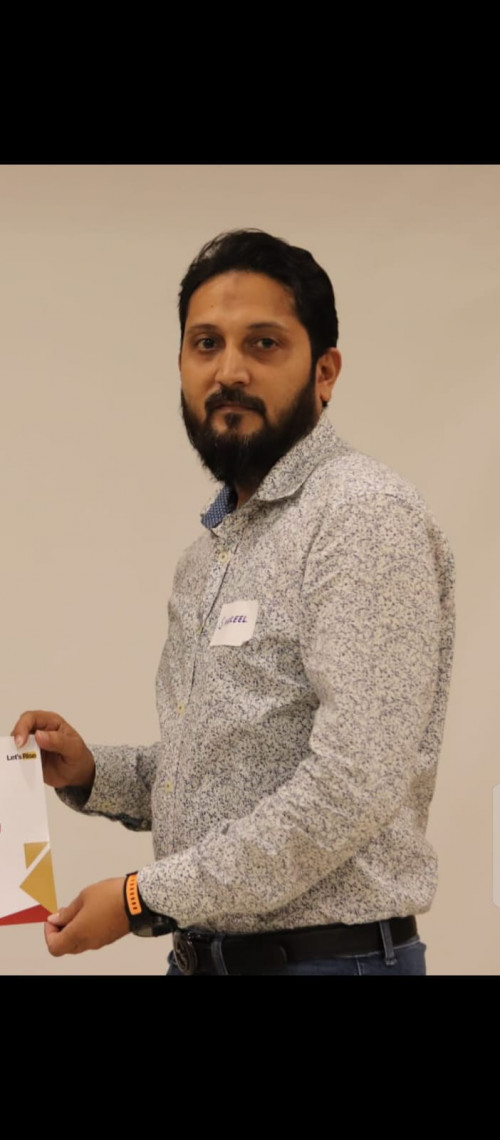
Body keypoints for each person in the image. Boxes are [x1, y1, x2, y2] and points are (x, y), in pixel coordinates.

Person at [12, 229, 456, 975]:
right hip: (205, 958)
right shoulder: (210, 555)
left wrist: (139, 898)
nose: (230, 371)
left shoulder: (361, 516)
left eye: (264, 344)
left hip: (329, 963)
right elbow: (226, 776)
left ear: (324, 371)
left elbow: (350, 786)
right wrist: (90, 773)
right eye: (207, 344)